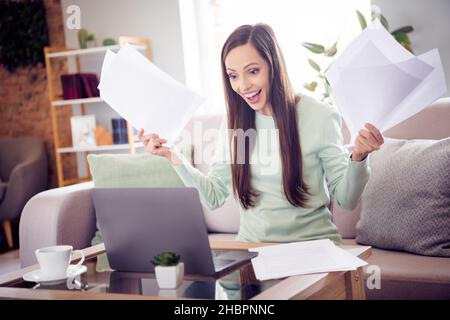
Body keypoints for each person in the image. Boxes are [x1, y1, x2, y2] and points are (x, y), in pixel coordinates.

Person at [138, 23, 384, 244]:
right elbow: (213, 196)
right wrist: (174, 156)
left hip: (314, 249)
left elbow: (347, 199)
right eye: (233, 76)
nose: (243, 86)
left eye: (253, 71)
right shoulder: (235, 123)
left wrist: (359, 156)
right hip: (253, 251)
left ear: (274, 66)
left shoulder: (320, 115)